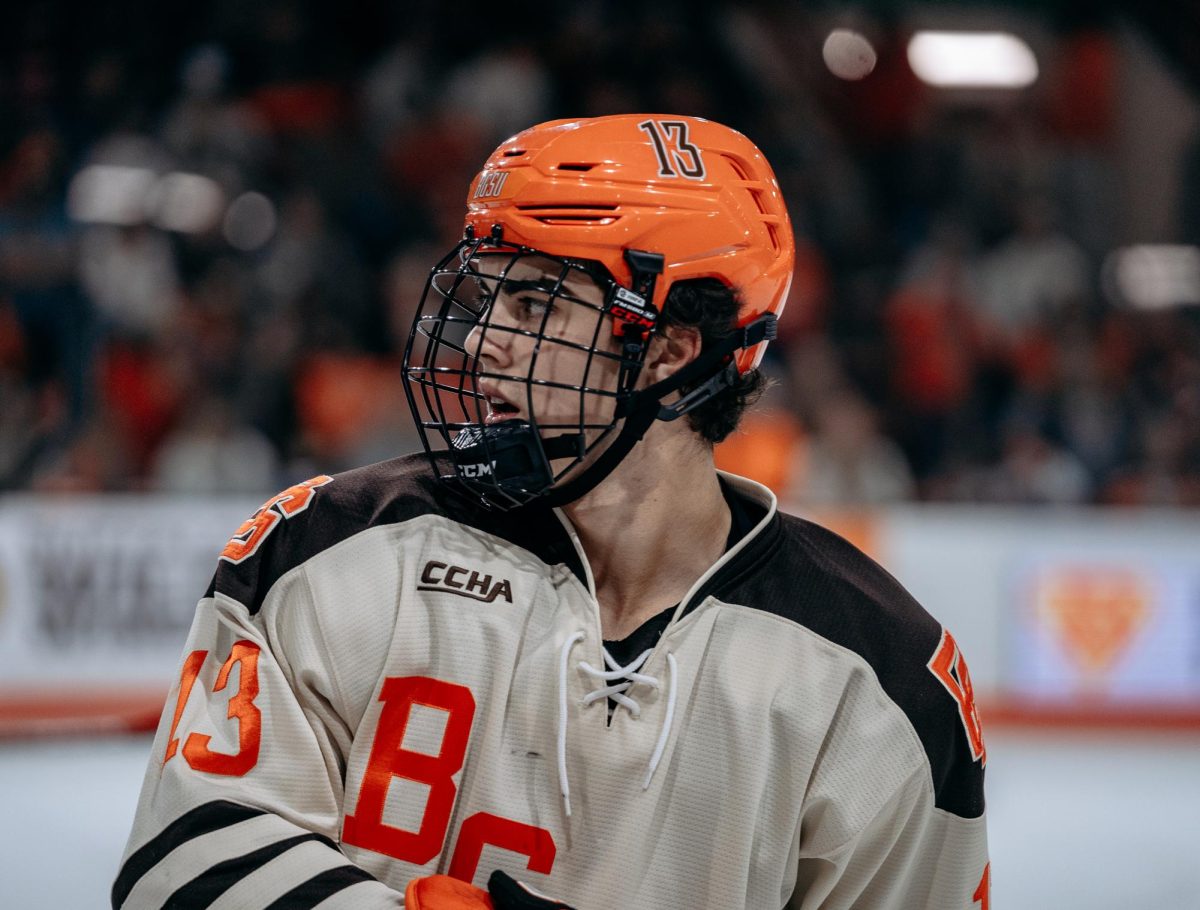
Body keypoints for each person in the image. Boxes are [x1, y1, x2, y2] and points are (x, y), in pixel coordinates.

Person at [115, 115, 988, 909]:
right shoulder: (326, 550)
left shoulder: (882, 685)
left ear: (670, 353)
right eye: (488, 294)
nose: (482, 338)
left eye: (535, 302)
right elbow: (179, 864)